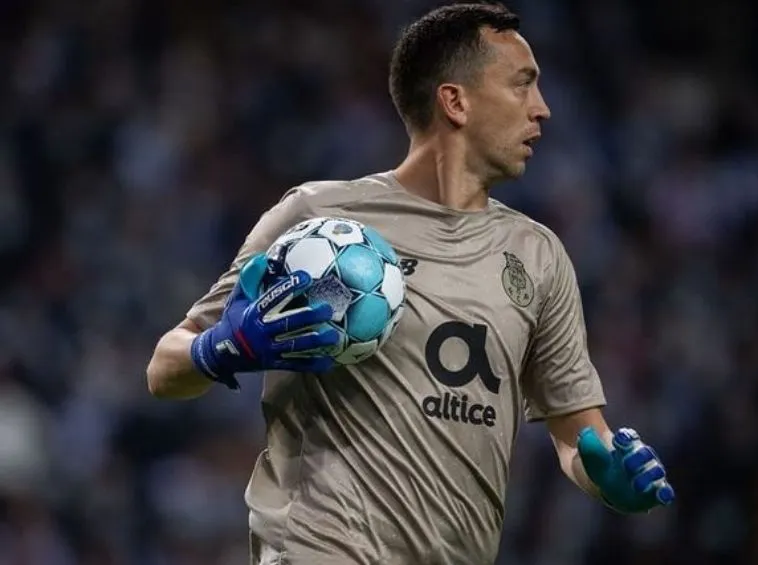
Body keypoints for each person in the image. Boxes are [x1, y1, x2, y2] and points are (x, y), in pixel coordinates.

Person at [146, 3, 675, 564]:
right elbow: (164, 368)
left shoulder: (538, 256)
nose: (542, 110)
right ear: (456, 101)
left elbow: (578, 436)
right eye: (523, 86)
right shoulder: (320, 219)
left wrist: (608, 477)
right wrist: (222, 347)